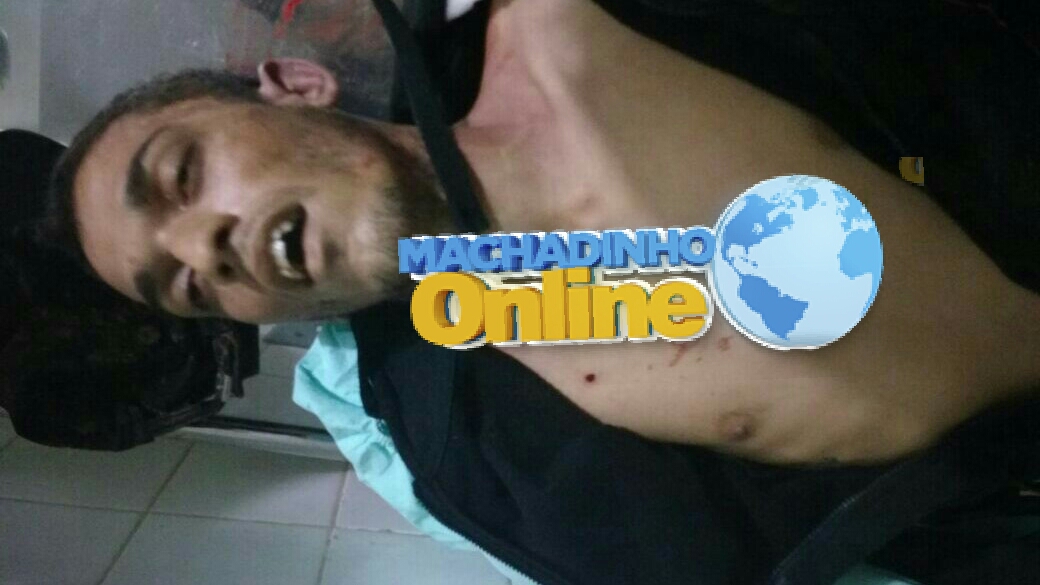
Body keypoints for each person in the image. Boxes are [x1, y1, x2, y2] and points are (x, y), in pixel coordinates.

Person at [39, 0, 1040, 583]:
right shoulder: (477, 449)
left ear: (296, 85)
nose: (205, 251)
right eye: (186, 289)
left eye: (182, 175)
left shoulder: (578, 23)